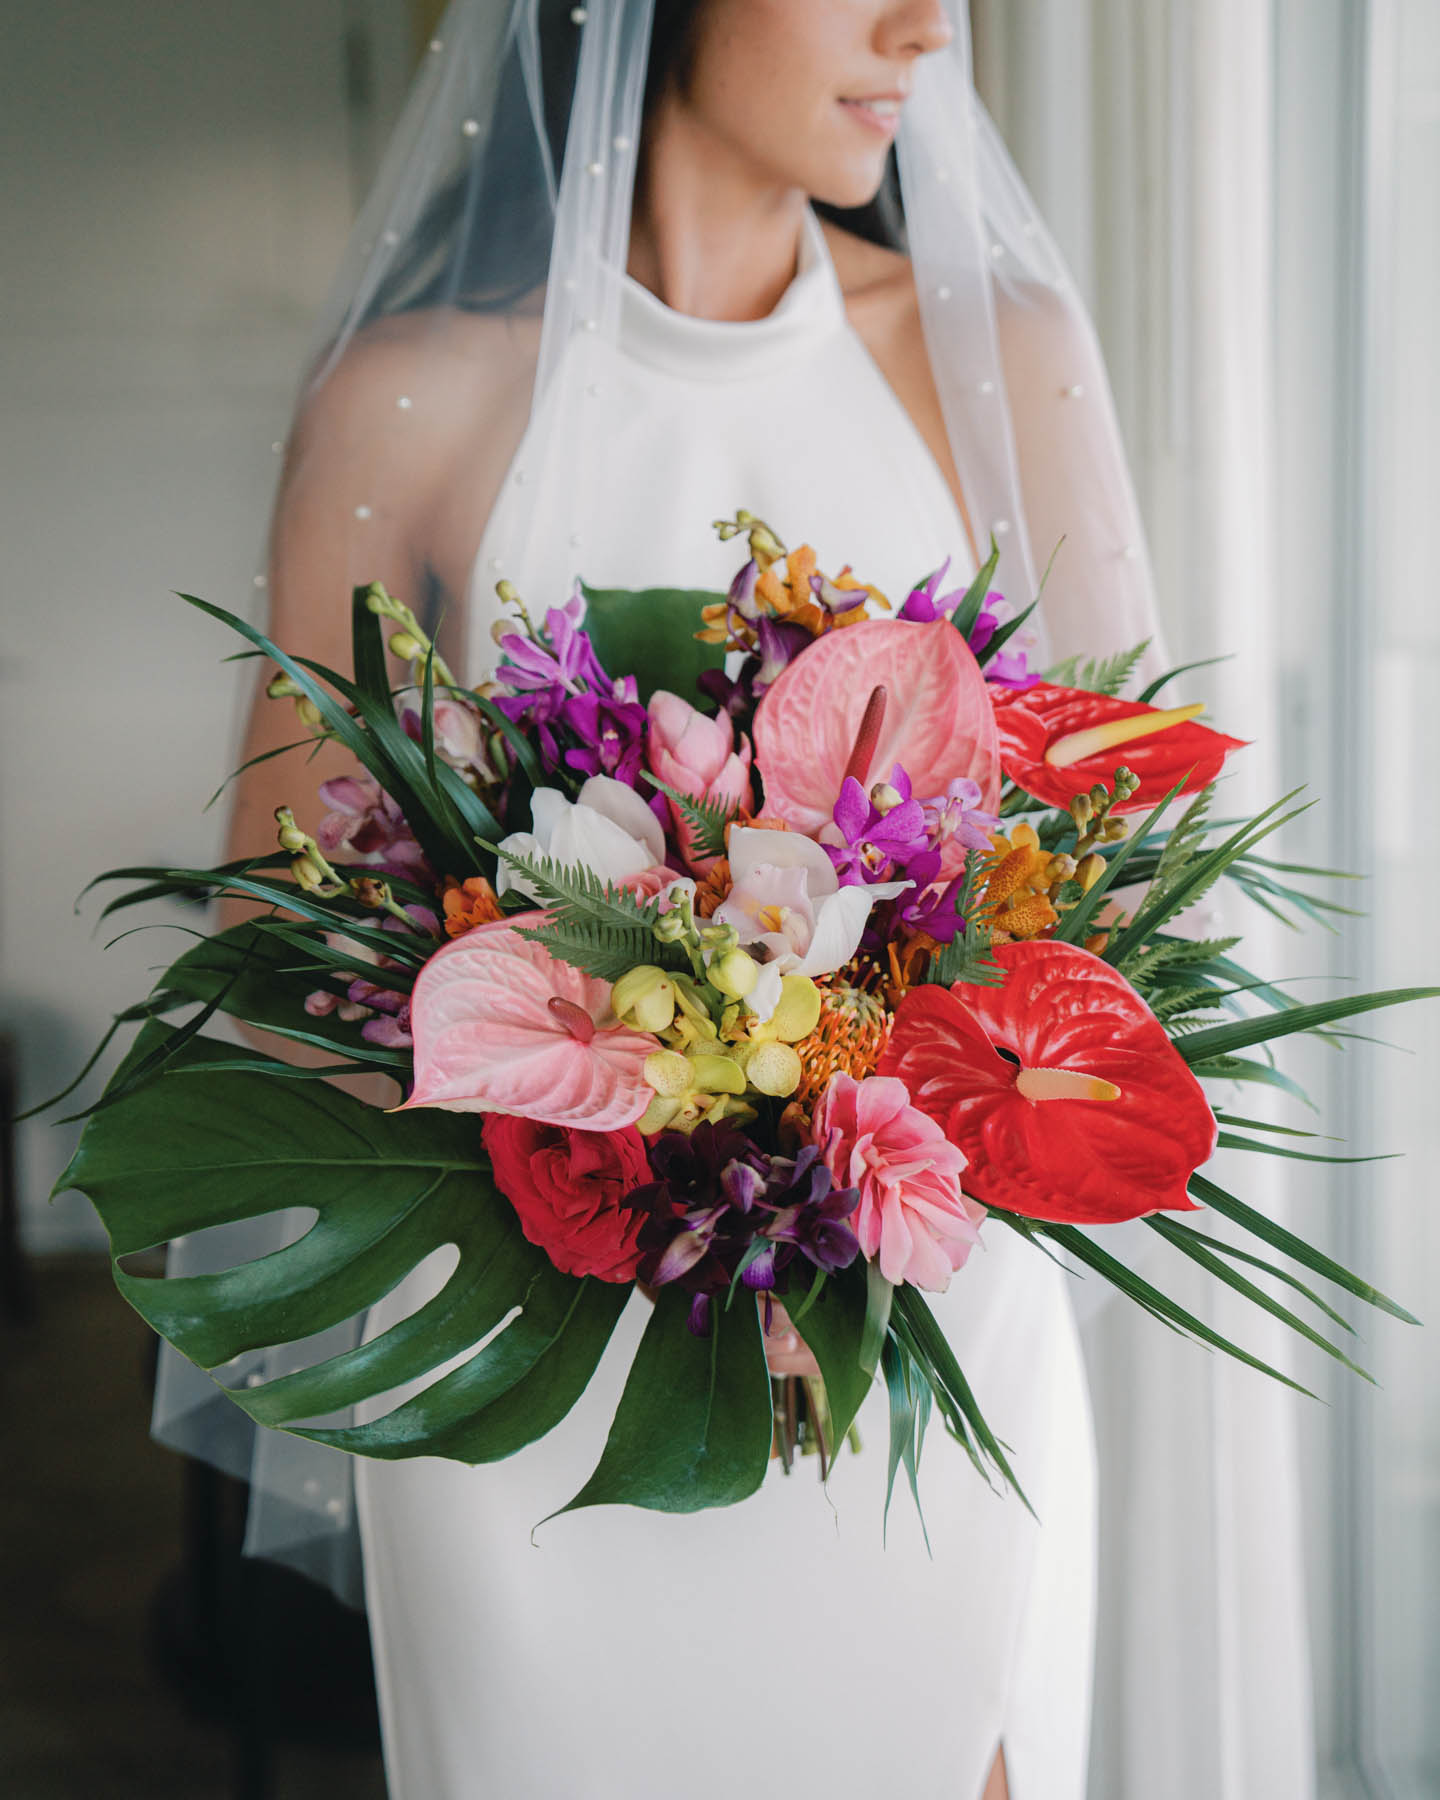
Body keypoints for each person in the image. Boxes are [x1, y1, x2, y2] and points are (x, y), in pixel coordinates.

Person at [199, 3, 1173, 1794]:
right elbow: (285, 951)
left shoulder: (996, 353)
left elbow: (1117, 889)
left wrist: (826, 1183)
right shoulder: (404, 402)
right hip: (544, 1394)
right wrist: (646, 1150)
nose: (928, 29)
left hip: (913, 1350)